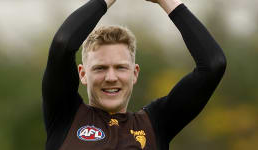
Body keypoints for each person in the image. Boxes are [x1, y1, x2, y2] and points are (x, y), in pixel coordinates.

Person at [42, 0, 227, 149]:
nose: (111, 77)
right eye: (100, 68)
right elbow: (62, 43)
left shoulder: (156, 124)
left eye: (121, 67)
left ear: (134, 73)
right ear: (82, 74)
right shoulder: (65, 116)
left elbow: (213, 64)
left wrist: (166, 1)